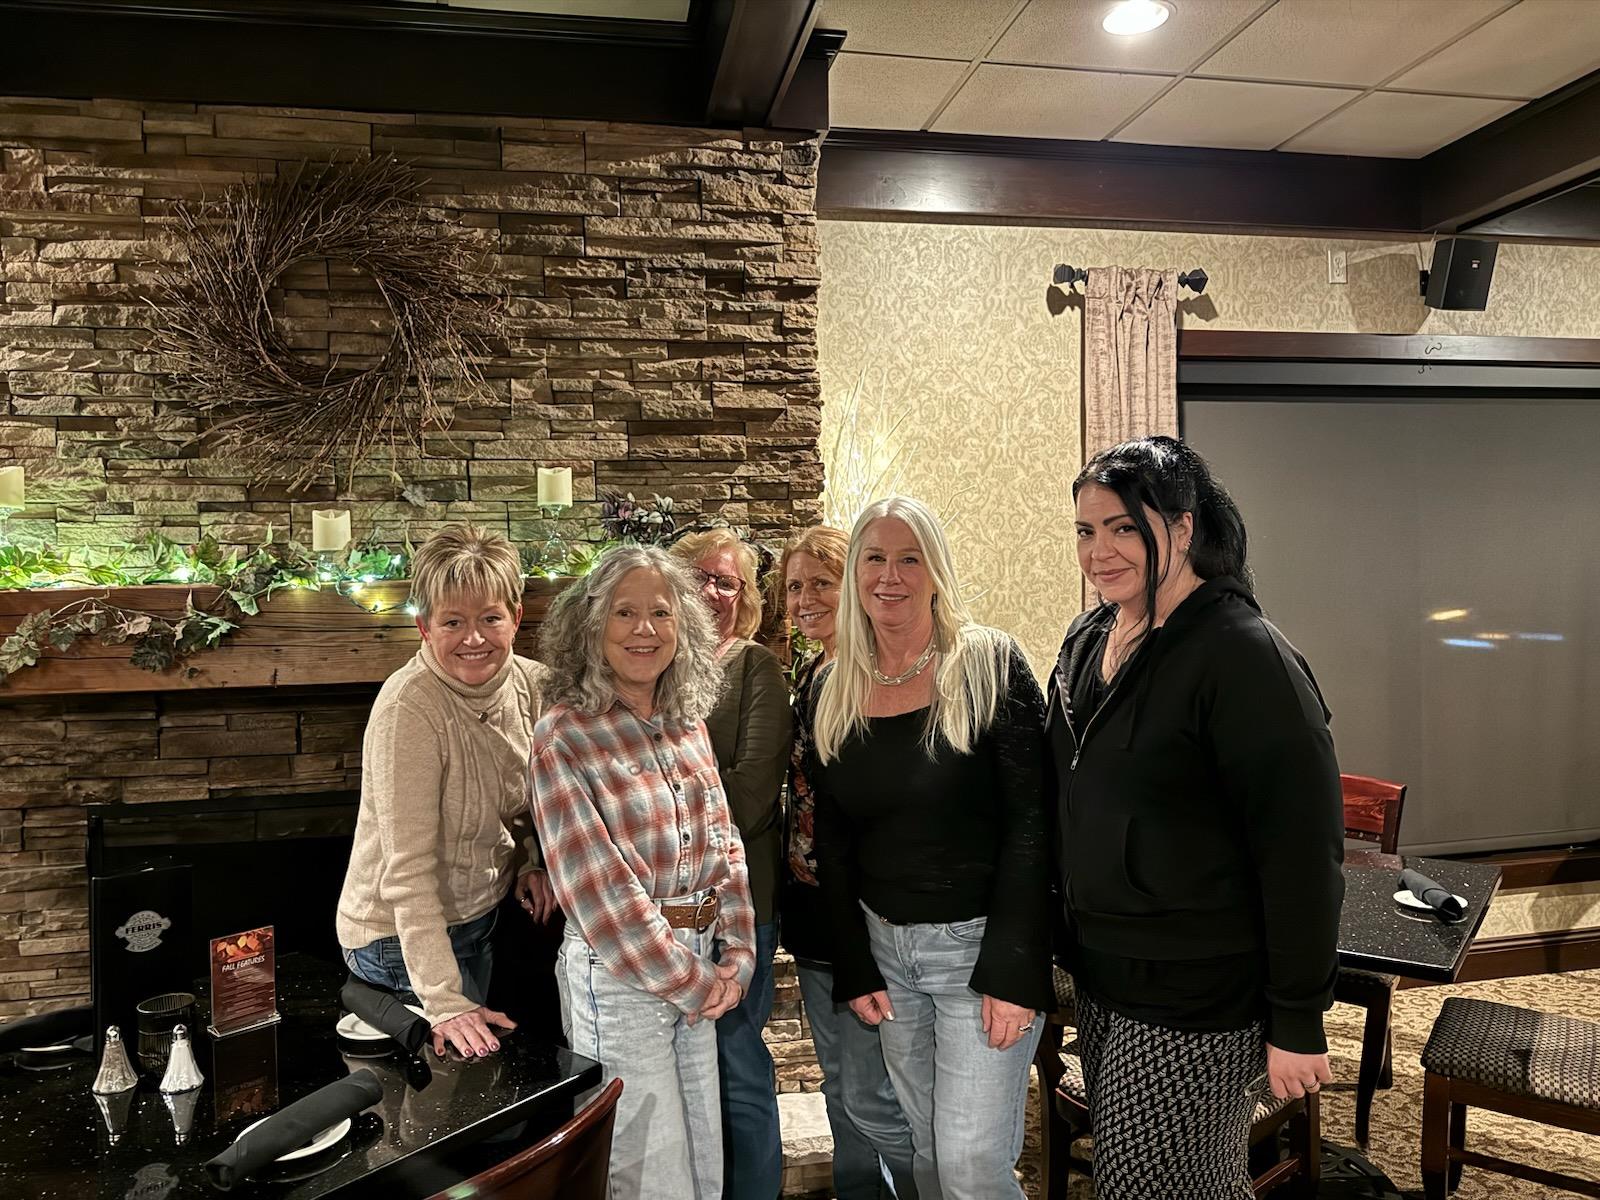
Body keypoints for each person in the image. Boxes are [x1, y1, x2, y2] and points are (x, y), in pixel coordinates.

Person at [1052, 436, 1344, 1199]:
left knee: (1162, 1185)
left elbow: (1304, 857)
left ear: (1181, 529)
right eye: (1086, 530)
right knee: (1148, 1178)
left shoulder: (1244, 656)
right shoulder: (1089, 641)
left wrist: (1298, 1017)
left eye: (1122, 527)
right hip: (1107, 974)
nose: (1099, 550)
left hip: (1199, 985)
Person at [809, 496, 1051, 1200]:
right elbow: (835, 838)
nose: (891, 575)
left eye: (909, 557)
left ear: (936, 570)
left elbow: (1033, 827)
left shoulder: (988, 664)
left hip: (979, 954)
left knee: (974, 1165)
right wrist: (855, 964)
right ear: (854, 573)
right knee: (929, 1154)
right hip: (889, 956)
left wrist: (1014, 970)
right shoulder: (834, 684)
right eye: (874, 558)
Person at [531, 545, 757, 1200]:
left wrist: (737, 956)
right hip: (623, 984)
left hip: (699, 968)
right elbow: (599, 893)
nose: (644, 629)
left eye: (661, 612)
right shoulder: (563, 735)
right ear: (591, 625)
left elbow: (726, 846)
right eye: (624, 612)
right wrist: (696, 982)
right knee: (647, 1181)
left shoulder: (686, 725)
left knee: (704, 1175)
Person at [336, 523, 556, 1059]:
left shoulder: (535, 685)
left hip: (479, 916)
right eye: (453, 622)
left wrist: (530, 861)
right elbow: (406, 871)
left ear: (516, 618)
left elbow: (532, 796)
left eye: (489, 619)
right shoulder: (409, 710)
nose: (473, 638)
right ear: (424, 627)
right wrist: (443, 1000)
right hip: (397, 941)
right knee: (443, 1098)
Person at [779, 525, 918, 1200]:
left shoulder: (863, 678)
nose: (804, 599)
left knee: (869, 1093)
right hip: (812, 908)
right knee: (843, 1084)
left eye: (821, 583)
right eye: (794, 586)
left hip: (859, 914)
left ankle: (938, 1186)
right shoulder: (811, 670)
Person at [670, 529, 790, 1199]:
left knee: (738, 1064)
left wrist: (658, 805)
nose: (712, 591)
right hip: (670, 909)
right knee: (691, 1068)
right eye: (700, 577)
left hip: (742, 902)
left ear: (745, 598)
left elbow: (748, 795)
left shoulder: (753, 668)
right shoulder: (655, 661)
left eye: (727, 582)